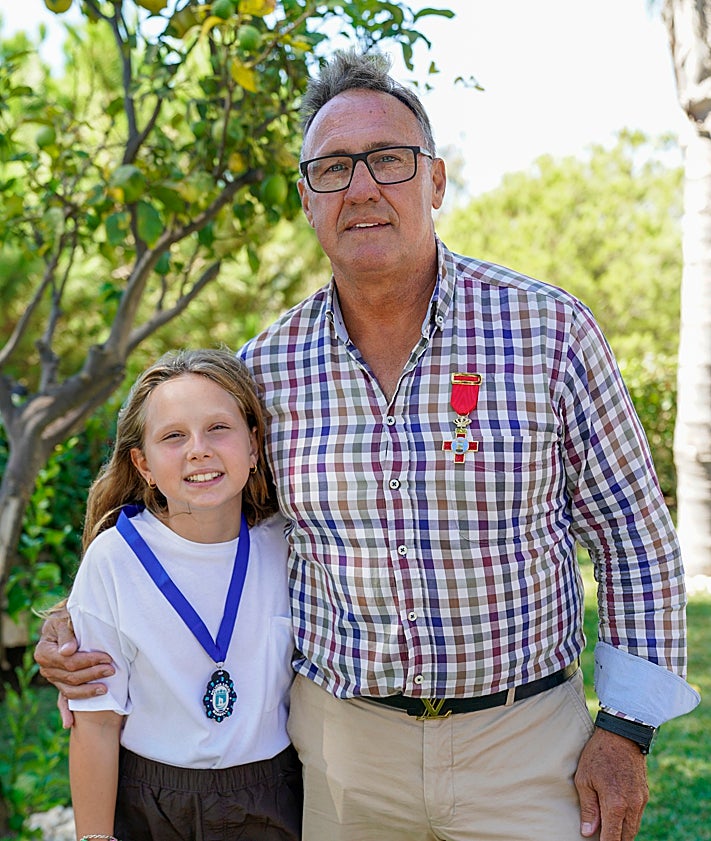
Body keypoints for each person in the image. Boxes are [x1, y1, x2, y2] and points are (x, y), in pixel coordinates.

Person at [36, 51, 699, 841]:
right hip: (340, 756)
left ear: (436, 181)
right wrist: (74, 624)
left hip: (526, 744)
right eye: (333, 168)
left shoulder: (548, 331)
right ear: (309, 200)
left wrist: (625, 730)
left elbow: (634, 538)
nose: (361, 187)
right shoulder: (264, 370)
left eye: (388, 159)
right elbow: (203, 533)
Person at [61, 348, 302, 841]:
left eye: (219, 428)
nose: (198, 449)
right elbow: (97, 725)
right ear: (143, 464)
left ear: (254, 445)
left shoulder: (287, 543)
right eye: (173, 436)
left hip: (272, 792)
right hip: (151, 798)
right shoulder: (114, 560)